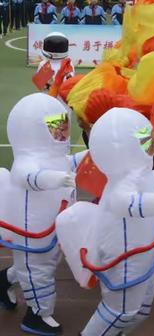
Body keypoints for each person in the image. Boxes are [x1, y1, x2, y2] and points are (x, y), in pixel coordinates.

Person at [55, 108, 154, 335]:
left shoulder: (136, 173)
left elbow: (146, 180)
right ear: (126, 148)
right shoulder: (120, 184)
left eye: (150, 140)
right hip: (126, 257)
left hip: (145, 251)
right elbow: (128, 203)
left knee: (140, 310)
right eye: (145, 142)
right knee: (121, 311)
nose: (152, 146)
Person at [0, 94, 87, 335]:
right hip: (32, 230)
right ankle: (37, 314)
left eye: (63, 125)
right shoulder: (26, 160)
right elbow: (29, 177)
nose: (61, 132)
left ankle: (4, 281)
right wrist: (58, 178)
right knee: (37, 270)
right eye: (55, 126)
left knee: (40, 265)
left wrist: (91, 155)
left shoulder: (56, 157)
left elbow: (68, 163)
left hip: (51, 227)